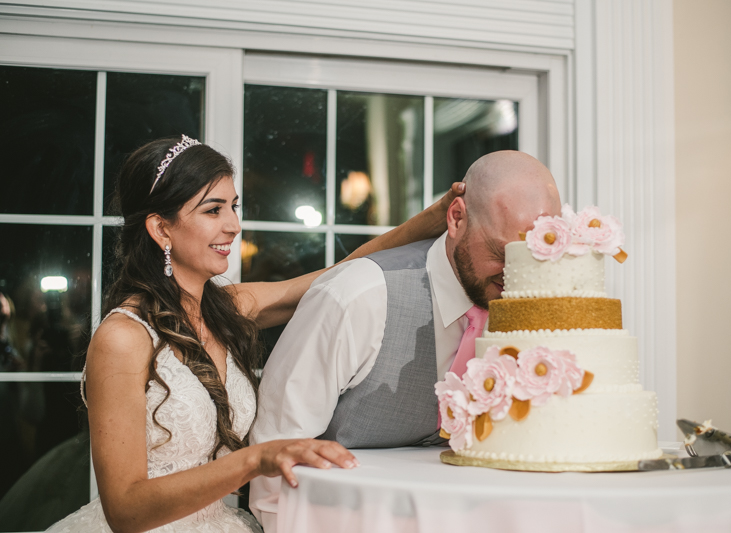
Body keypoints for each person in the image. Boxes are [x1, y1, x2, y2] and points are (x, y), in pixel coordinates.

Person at [46, 135, 464, 533]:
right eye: (213, 210)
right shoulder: (124, 337)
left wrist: (432, 220)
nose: (233, 225)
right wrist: (255, 459)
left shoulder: (225, 308)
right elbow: (125, 509)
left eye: (234, 206)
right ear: (161, 229)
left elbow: (338, 277)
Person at [249, 150, 562, 529]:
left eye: (534, 257)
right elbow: (272, 460)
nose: (517, 273)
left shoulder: (537, 308)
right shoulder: (360, 297)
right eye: (500, 253)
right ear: (457, 217)